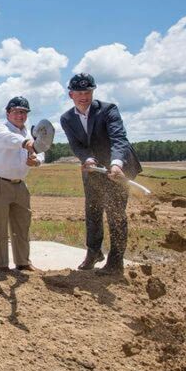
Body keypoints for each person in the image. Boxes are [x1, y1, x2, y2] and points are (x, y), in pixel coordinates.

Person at [60, 73, 142, 275]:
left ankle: (116, 261)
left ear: (92, 92)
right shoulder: (67, 118)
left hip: (118, 168)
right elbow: (77, 145)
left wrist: (116, 163)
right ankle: (94, 252)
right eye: (79, 92)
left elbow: (119, 138)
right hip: (93, 169)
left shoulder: (108, 110)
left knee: (115, 213)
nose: (83, 96)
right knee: (93, 210)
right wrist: (86, 159)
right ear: (71, 94)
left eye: (87, 91)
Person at [0, 96, 44, 272]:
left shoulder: (29, 132)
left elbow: (40, 151)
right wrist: (27, 143)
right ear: (8, 112)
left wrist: (37, 160)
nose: (20, 115)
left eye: (24, 112)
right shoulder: (0, 131)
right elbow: (11, 140)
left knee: (22, 226)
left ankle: (23, 262)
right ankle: (2, 266)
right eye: (17, 111)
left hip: (20, 185)